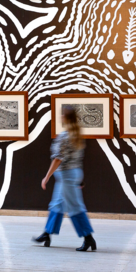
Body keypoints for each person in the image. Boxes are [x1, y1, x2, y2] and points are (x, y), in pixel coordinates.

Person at [32, 105, 96, 252]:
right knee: (57, 204)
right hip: (72, 174)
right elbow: (77, 159)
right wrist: (78, 179)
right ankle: (47, 234)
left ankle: (88, 239)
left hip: (66, 176)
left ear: (65, 118)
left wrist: (46, 177)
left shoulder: (64, 136)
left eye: (61, 115)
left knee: (75, 207)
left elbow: (57, 159)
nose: (60, 117)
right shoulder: (77, 135)